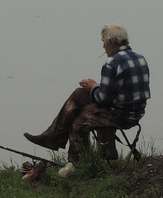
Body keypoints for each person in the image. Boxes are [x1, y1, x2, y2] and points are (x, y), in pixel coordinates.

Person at [24, 25, 150, 172]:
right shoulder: (140, 58)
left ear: (110, 41)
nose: (103, 46)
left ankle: (78, 164)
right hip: (136, 111)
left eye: (103, 42)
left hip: (120, 115)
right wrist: (96, 86)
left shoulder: (111, 63)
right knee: (79, 93)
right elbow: (122, 88)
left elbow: (103, 99)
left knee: (79, 120)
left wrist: (94, 87)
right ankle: (52, 137)